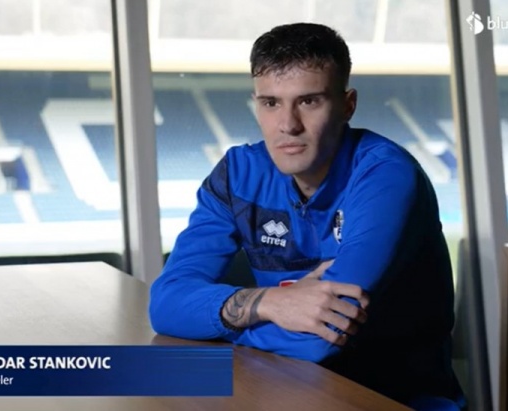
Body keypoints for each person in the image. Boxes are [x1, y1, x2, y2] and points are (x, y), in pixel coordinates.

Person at [149, 22, 464, 409]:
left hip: (393, 400)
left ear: (347, 105)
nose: (288, 125)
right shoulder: (238, 174)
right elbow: (165, 305)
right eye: (271, 103)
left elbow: (320, 339)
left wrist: (217, 322)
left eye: (309, 101)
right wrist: (270, 303)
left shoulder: (386, 175)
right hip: (284, 390)